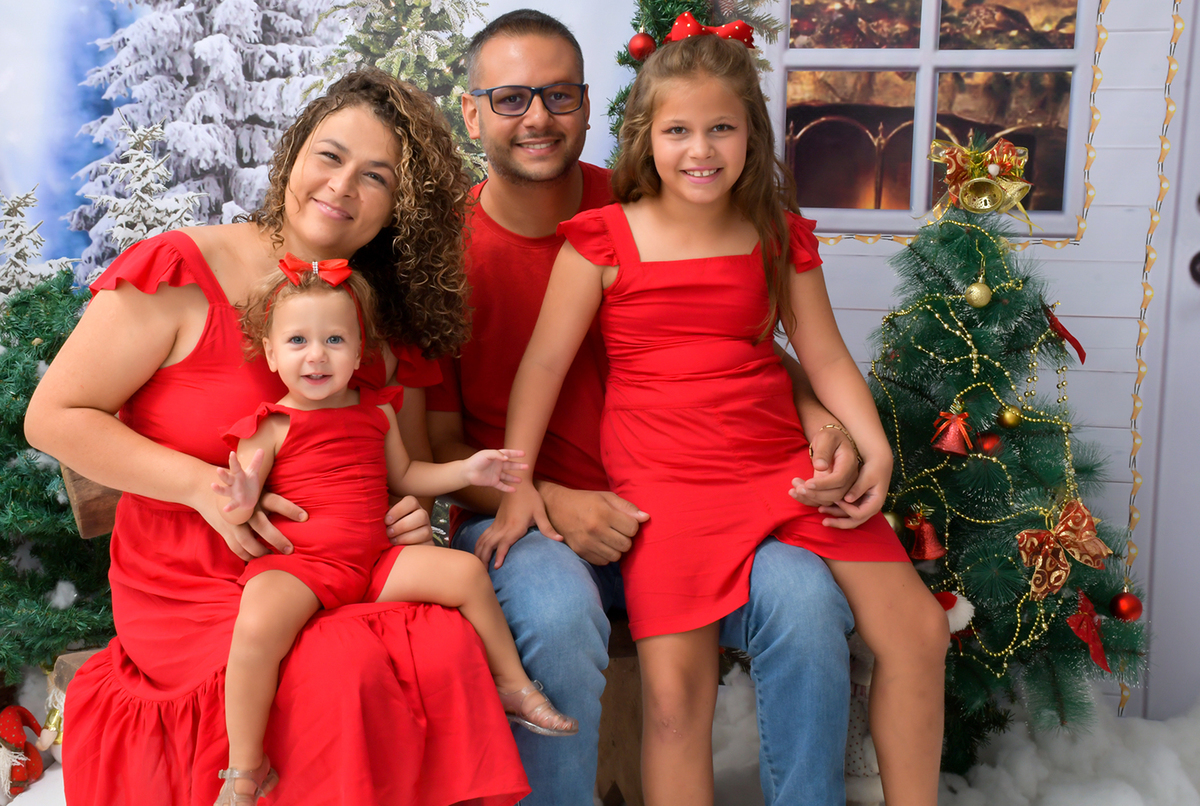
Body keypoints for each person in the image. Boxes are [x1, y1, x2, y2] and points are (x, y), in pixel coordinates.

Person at [25, 69, 530, 806]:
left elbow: (398, 469)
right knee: (339, 670)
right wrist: (202, 489)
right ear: (294, 155)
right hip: (193, 583)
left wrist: (407, 512)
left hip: (337, 569)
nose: (342, 186)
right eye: (330, 156)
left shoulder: (378, 318)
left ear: (400, 205)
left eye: (376, 176)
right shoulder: (184, 271)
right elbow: (54, 416)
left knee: (445, 642)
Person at [426, 10, 874, 805]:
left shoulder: (658, 194)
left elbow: (733, 338)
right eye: (511, 98)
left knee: (807, 599)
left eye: (560, 95)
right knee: (557, 615)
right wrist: (549, 499)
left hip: (695, 505)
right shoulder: (441, 260)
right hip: (531, 520)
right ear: (471, 113)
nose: (539, 117)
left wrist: (818, 414)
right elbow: (438, 447)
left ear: (590, 105)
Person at [211, 264, 577, 805]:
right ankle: (245, 767)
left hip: (377, 560)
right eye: (297, 341)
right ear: (270, 353)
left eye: (335, 340)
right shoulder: (271, 425)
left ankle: (514, 685)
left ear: (360, 350)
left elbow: (406, 476)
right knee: (257, 627)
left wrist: (467, 470)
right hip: (304, 565)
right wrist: (241, 499)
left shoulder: (377, 411)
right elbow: (243, 504)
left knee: (465, 573)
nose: (317, 356)